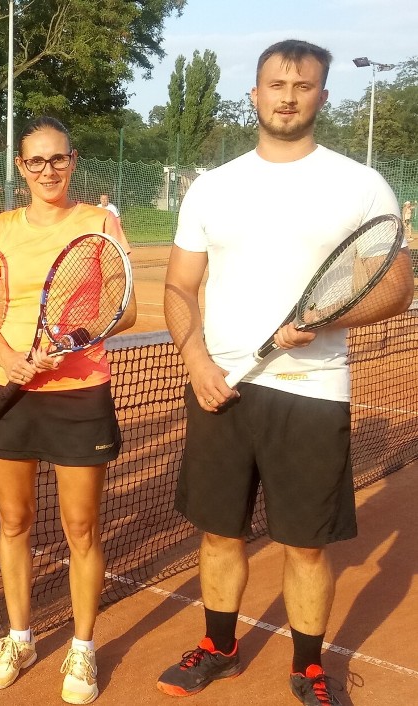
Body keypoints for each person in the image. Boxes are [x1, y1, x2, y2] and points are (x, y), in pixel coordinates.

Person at [158, 40, 413, 706]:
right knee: (220, 533)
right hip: (221, 389)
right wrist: (196, 361)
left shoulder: (359, 185)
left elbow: (394, 289)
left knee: (304, 545)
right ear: (256, 94)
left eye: (303, 85)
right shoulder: (214, 187)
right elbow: (181, 287)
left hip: (311, 392)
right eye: (277, 84)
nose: (289, 95)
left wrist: (327, 320)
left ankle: (307, 666)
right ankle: (219, 647)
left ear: (323, 97)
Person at [0, 116, 137, 704]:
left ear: (73, 160)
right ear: (20, 167)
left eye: (57, 159)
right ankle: (20, 638)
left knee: (81, 528)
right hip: (7, 390)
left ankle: (83, 649)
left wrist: (67, 338)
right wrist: (10, 357)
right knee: (13, 523)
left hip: (79, 394)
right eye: (35, 162)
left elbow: (126, 309)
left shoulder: (99, 224)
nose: (47, 171)